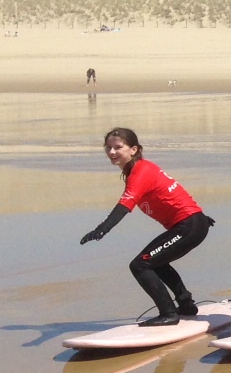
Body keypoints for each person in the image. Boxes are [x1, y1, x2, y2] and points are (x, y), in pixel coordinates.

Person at [78, 128, 213, 325]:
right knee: (153, 261)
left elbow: (124, 205)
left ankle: (169, 313)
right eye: (108, 148)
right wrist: (199, 217)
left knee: (140, 265)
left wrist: (102, 229)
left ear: (134, 149)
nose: (112, 152)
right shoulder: (141, 169)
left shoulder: (140, 172)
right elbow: (170, 192)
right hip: (191, 223)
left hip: (188, 224)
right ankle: (185, 304)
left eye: (118, 147)